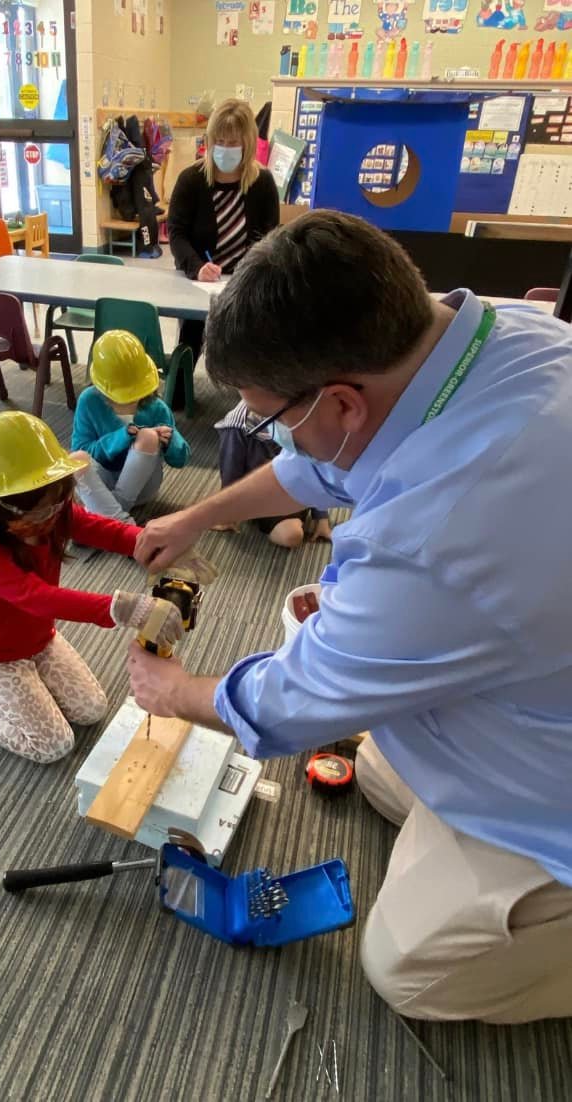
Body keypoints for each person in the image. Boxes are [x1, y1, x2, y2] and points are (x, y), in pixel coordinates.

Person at [128, 210, 572, 1024]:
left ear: (341, 401)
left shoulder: (441, 533)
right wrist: (197, 518)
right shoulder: (492, 339)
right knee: (373, 769)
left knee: (409, 970)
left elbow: (285, 705)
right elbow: (318, 469)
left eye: (269, 415)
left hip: (556, 781)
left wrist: (172, 689)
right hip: (537, 673)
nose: (273, 437)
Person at [0, 410, 187, 764]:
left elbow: (106, 529)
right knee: (53, 746)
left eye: (57, 505)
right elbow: (37, 598)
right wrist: (124, 608)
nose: (50, 518)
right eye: (37, 514)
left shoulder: (53, 511)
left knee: (92, 710)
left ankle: (24, 688)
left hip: (38, 640)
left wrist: (154, 542)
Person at [167, 97, 279, 408]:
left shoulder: (263, 183)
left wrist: (249, 273)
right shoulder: (191, 180)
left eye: (233, 142)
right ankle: (179, 394)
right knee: (191, 337)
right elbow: (176, 234)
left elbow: (270, 239)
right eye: (220, 141)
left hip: (245, 281)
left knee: (252, 344)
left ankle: (253, 402)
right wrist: (197, 265)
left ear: (246, 145)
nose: (225, 148)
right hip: (200, 279)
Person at [71, 330, 190, 524]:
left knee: (149, 437)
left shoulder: (157, 407)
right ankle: (122, 524)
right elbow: (83, 450)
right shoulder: (89, 400)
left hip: (141, 487)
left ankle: (103, 518)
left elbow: (181, 459)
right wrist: (120, 437)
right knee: (76, 460)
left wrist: (170, 439)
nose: (131, 399)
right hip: (102, 481)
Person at [214, 398, 332, 547]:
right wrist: (226, 514)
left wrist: (321, 516)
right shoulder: (238, 424)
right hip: (260, 493)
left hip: (296, 487)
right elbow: (230, 473)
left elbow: (314, 467)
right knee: (291, 536)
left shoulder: (301, 412)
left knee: (292, 533)